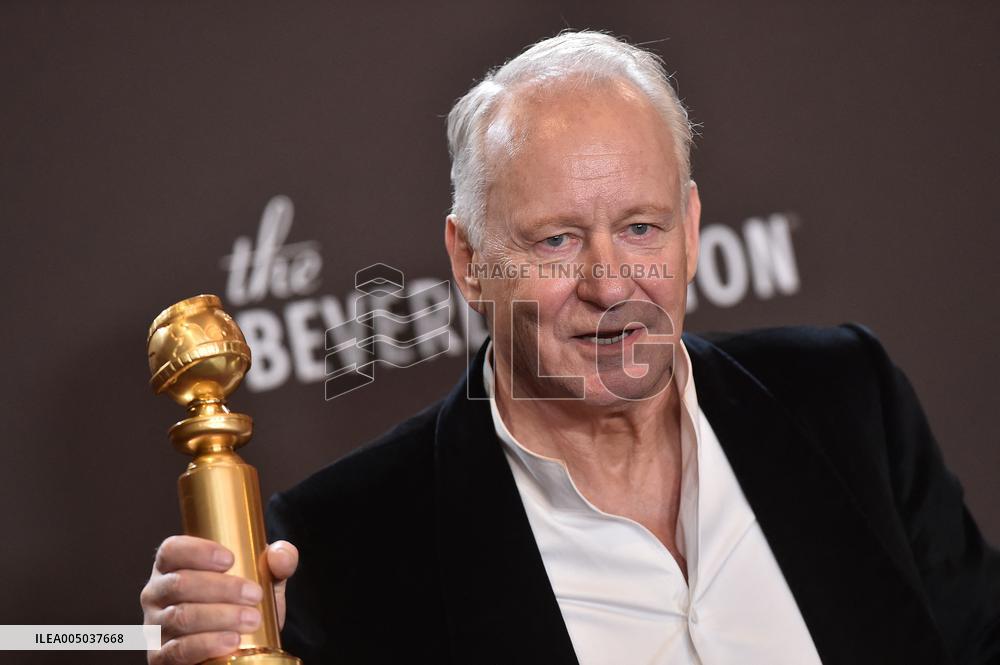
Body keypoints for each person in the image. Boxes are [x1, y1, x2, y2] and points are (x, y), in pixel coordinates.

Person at [139, 31, 1000, 665]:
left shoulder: (848, 398)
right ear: (468, 262)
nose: (611, 281)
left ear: (692, 229)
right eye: (556, 240)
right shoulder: (339, 552)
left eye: (640, 226)